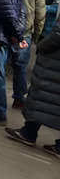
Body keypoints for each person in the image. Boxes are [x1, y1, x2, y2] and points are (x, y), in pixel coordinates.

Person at [4, 17, 60, 159]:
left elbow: (57, 35)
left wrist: (41, 45)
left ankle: (28, 133)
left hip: (53, 65)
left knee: (41, 97)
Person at [13, 0, 46, 105]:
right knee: (20, 68)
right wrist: (36, 36)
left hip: (5, 32)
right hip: (24, 33)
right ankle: (19, 98)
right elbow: (40, 16)